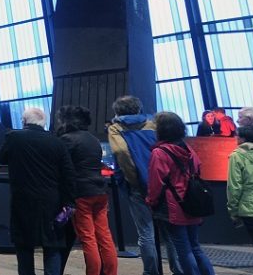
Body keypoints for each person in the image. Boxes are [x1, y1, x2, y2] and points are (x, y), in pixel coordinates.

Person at [107, 95, 182, 275]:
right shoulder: (152, 125)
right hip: (163, 184)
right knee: (170, 233)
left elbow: (121, 153)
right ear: (138, 108)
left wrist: (132, 180)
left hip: (138, 187)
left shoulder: (115, 129)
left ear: (117, 111)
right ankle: (178, 270)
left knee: (145, 234)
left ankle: (151, 272)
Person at [0, 106, 75, 275]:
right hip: (51, 202)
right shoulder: (57, 142)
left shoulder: (13, 138)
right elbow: (68, 175)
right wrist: (69, 203)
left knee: (24, 247)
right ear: (43, 123)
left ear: (24, 121)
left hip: (22, 201)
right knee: (52, 247)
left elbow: (1, 158)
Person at [146, 111, 216, 275]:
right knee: (195, 246)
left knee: (183, 249)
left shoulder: (160, 152)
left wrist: (151, 201)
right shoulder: (188, 148)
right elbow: (198, 168)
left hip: (173, 206)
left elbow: (156, 182)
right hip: (192, 202)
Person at [56, 105, 116, 275]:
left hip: (81, 193)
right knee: (104, 236)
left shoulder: (67, 139)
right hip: (100, 191)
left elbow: (62, 168)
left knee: (88, 238)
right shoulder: (92, 139)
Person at [227, 125, 253, 275]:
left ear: (243, 139)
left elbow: (234, 187)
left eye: (237, 136)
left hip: (251, 208)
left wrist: (233, 211)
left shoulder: (237, 156)